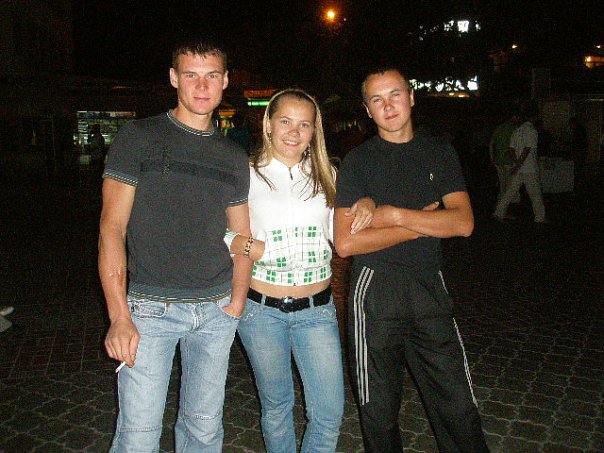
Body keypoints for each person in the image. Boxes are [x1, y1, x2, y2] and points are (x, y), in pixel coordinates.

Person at [99, 40, 252, 453]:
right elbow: (112, 228)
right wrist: (119, 315)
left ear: (225, 81)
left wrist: (237, 301)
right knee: (138, 436)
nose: (202, 86)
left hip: (216, 311)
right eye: (191, 75)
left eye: (211, 76)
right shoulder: (139, 136)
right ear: (173, 78)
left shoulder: (233, 156)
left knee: (204, 431)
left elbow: (242, 237)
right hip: (151, 310)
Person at [334, 66, 490, 453]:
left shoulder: (439, 152)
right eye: (377, 99)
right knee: (378, 410)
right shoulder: (357, 161)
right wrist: (421, 224)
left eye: (395, 94)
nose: (388, 106)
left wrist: (394, 215)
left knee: (458, 404)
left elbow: (463, 222)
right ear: (367, 110)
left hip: (428, 286)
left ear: (412, 97)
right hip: (375, 291)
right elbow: (347, 244)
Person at [226, 88, 374, 453]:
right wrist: (250, 246)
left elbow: (341, 233)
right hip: (261, 311)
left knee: (328, 413)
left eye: (304, 124)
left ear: (314, 131)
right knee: (277, 407)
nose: (294, 132)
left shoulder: (328, 175)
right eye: (285, 122)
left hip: (316, 311)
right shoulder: (244, 175)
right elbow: (214, 230)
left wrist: (366, 203)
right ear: (268, 124)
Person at [493, 106, 547, 223]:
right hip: (529, 168)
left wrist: (516, 164)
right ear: (534, 117)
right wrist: (519, 164)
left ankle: (499, 212)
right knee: (535, 194)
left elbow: (511, 149)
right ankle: (540, 217)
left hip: (518, 168)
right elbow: (527, 149)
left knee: (509, 192)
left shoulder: (517, 131)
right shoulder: (532, 131)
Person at [489, 112, 520, 201]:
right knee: (511, 181)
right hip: (509, 159)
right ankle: (511, 200)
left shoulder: (499, 128)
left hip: (498, 159)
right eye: (518, 117)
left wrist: (492, 158)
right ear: (514, 117)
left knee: (502, 182)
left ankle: (502, 199)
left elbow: (491, 143)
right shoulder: (515, 128)